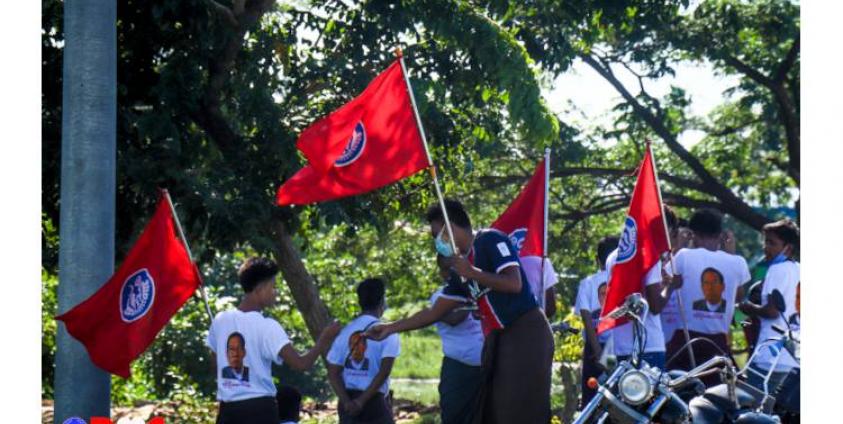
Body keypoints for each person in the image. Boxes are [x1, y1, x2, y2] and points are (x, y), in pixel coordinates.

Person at [366, 199, 554, 424]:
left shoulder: (491, 240)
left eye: (436, 234)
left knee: (522, 409)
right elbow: (433, 312)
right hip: (499, 339)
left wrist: (473, 272)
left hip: (526, 333)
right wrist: (390, 328)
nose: (436, 242)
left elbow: (514, 284)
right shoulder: (458, 272)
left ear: (450, 228)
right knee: (497, 410)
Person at [207, 257, 341, 424]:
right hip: (259, 411)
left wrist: (234, 384)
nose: (275, 292)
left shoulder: (220, 320)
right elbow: (301, 364)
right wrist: (325, 339)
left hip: (227, 412)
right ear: (260, 289)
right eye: (273, 286)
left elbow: (215, 364)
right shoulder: (267, 326)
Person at [665, 209, 750, 377]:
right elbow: (738, 298)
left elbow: (665, 279)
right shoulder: (738, 262)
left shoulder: (684, 256)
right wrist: (731, 253)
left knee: (675, 386)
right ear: (721, 235)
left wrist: (679, 246)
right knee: (715, 390)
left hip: (685, 340)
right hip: (718, 342)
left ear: (693, 234)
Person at [605, 206, 682, 370]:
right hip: (649, 345)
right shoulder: (649, 256)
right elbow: (655, 306)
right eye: (671, 231)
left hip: (621, 345)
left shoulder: (614, 256)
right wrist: (671, 286)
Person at [739, 219, 800, 401]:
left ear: (788, 248)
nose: (766, 247)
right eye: (765, 242)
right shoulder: (799, 269)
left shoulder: (777, 269)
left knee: (752, 406)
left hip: (769, 356)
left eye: (771, 243)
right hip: (792, 356)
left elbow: (772, 312)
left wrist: (749, 307)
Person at [327, 278, 400, 424]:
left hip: (347, 403)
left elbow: (332, 373)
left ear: (360, 301)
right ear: (382, 301)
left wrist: (347, 402)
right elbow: (384, 372)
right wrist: (361, 401)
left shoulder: (344, 332)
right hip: (375, 403)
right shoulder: (388, 332)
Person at [431, 255, 485, 424]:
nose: (453, 273)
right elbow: (453, 319)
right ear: (442, 273)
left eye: (457, 267)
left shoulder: (478, 291)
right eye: (448, 269)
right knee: (455, 417)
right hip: (459, 368)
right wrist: (469, 302)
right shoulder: (440, 297)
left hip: (486, 365)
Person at [574, 235, 617, 408]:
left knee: (592, 398)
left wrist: (598, 352)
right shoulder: (622, 280)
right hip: (617, 347)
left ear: (597, 259)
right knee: (615, 396)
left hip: (594, 348)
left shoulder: (588, 282)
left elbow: (586, 320)